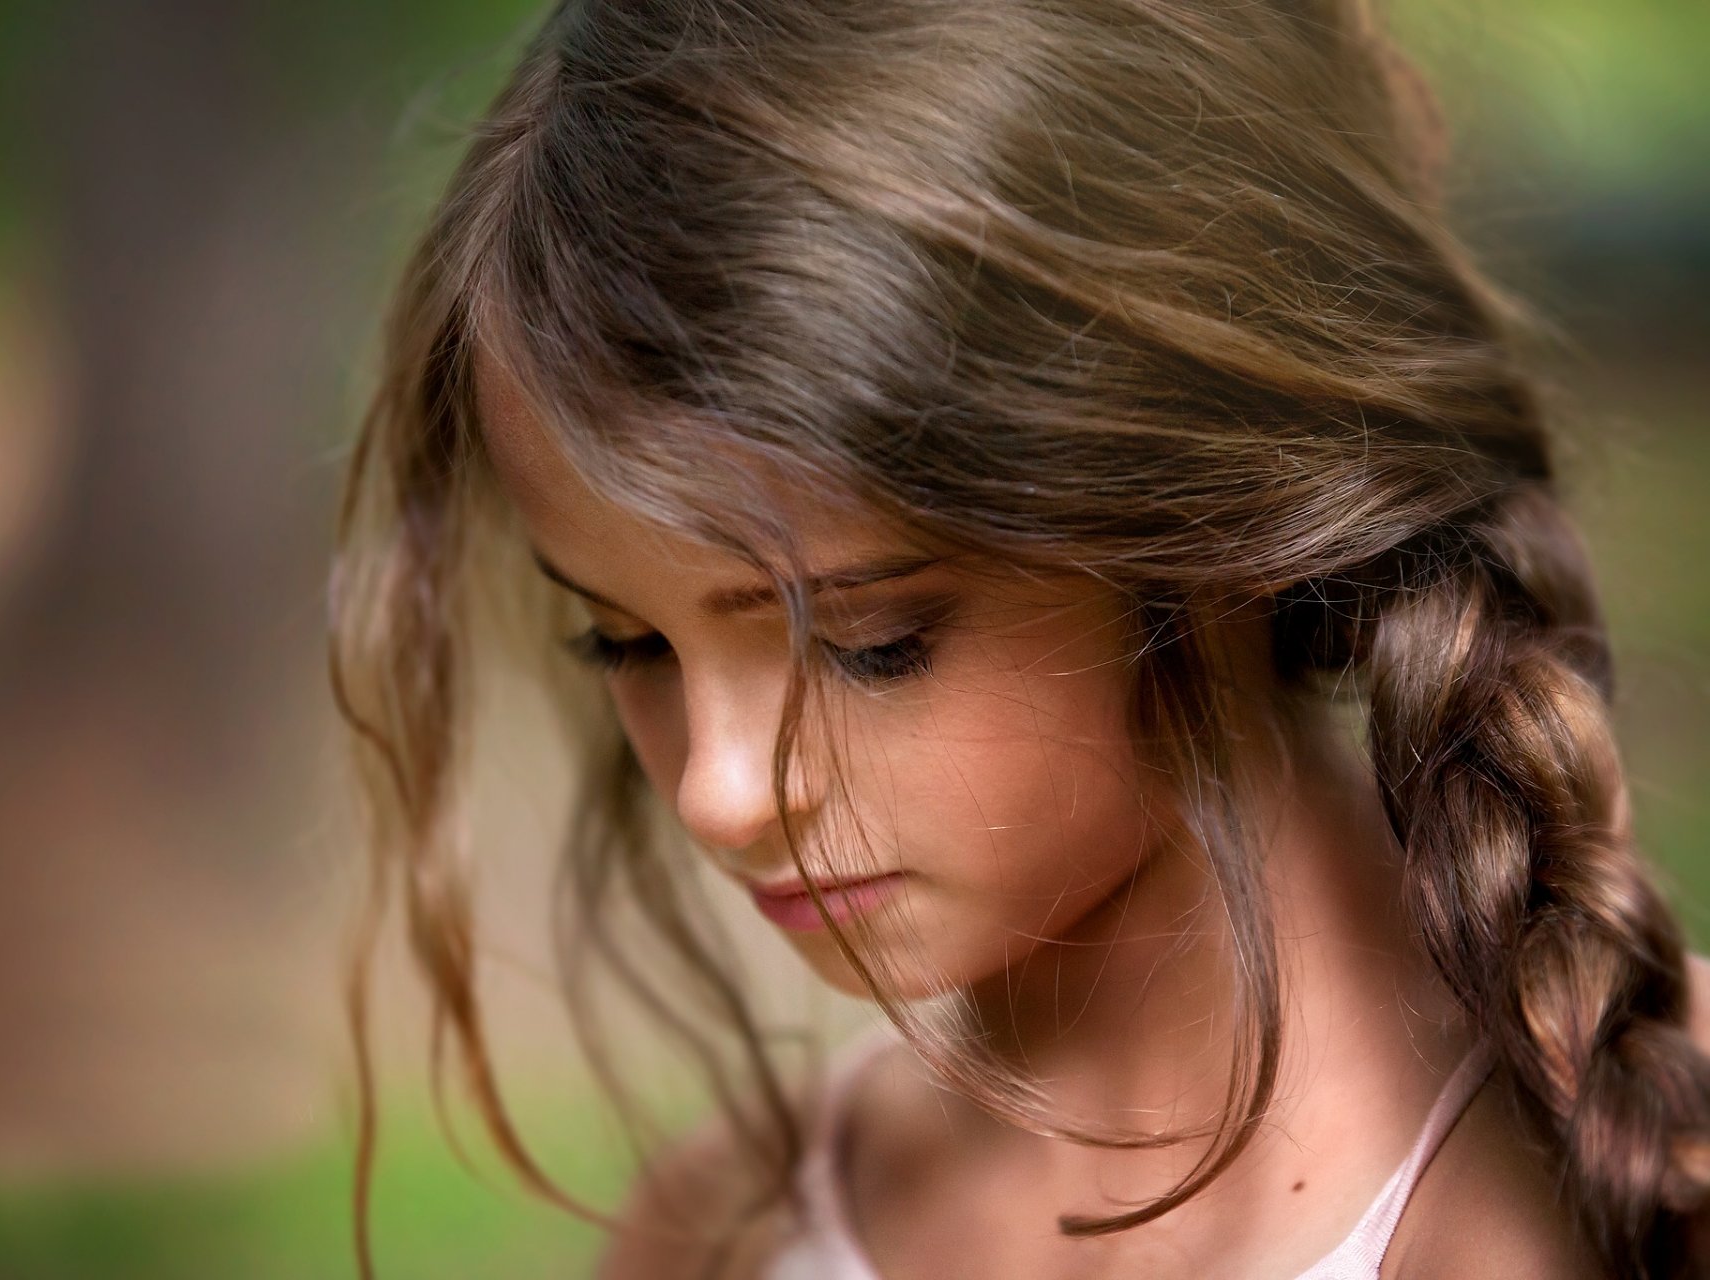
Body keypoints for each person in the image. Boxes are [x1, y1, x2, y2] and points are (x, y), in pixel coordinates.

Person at [327, 1, 1710, 1276]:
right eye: (624, 644)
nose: (719, 788)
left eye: (870, 640)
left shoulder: (1643, 1173)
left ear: (1217, 509)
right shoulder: (725, 1233)